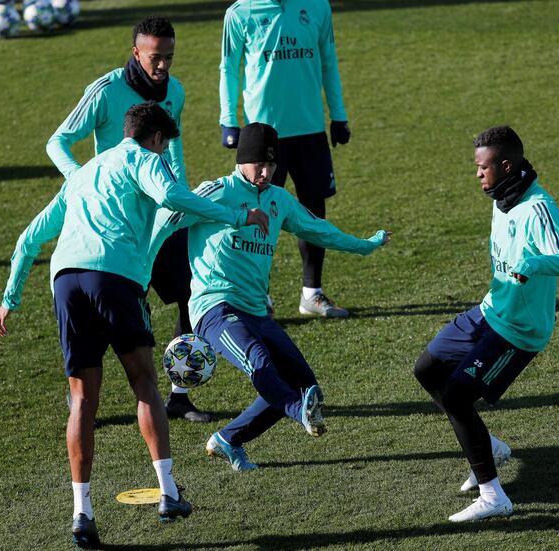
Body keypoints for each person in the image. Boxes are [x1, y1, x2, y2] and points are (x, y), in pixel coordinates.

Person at [0, 103, 269, 548]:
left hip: (66, 281)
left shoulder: (82, 174)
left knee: (82, 400)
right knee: (144, 382)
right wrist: (238, 215)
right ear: (156, 138)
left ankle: (82, 514)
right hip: (114, 277)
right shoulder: (145, 160)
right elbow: (173, 197)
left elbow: (28, 239)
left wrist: (10, 298)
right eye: (166, 145)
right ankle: (168, 492)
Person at [152, 123, 391, 471]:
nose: (265, 173)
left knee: (303, 384)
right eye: (258, 165)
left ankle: (228, 440)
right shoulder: (217, 192)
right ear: (241, 160)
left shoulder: (279, 200)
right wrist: (134, 270)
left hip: (255, 311)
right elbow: (165, 217)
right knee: (261, 363)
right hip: (214, 308)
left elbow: (317, 229)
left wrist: (363, 245)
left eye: (271, 166)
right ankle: (298, 412)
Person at [46, 16, 211, 422]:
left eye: (169, 57)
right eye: (155, 57)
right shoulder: (105, 91)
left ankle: (179, 393)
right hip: (115, 225)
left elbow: (173, 150)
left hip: (160, 216)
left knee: (190, 290)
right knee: (105, 310)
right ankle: (82, 394)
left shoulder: (176, 92)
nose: (163, 66)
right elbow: (58, 141)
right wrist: (80, 178)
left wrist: (183, 202)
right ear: (136, 52)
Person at [413, 127, 559, 522]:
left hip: (519, 331)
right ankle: (490, 447)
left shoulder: (538, 208)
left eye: (482, 167)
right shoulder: (502, 197)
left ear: (506, 166)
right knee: (428, 368)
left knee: (456, 396)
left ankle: (493, 496)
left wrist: (532, 262)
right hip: (490, 312)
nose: (477, 174)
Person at [219, 0, 354, 318]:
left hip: (310, 128)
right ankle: (257, 297)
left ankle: (312, 293)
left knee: (312, 211)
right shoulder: (240, 13)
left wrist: (338, 115)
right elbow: (229, 67)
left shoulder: (317, 7)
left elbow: (328, 61)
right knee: (257, 215)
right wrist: (228, 119)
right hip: (263, 134)